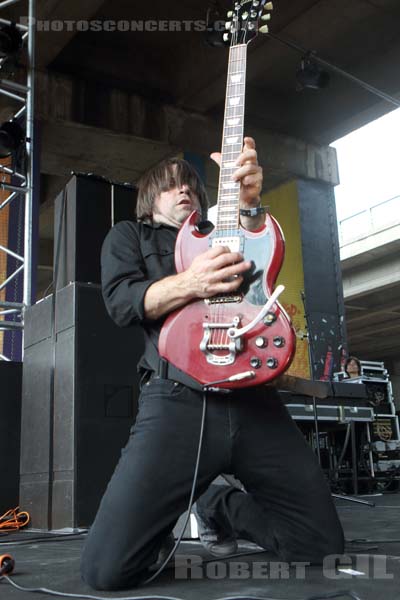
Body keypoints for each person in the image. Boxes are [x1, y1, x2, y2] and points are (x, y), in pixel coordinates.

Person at [81, 137, 344, 591]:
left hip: (253, 397)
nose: (182, 190)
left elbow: (261, 253)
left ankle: (221, 506)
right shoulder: (130, 236)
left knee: (320, 547)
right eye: (169, 186)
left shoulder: (228, 235)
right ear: (150, 198)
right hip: (177, 400)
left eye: (189, 185)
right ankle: (190, 507)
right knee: (107, 571)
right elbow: (122, 303)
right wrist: (191, 282)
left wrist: (249, 205)